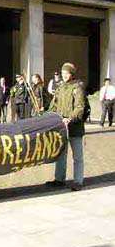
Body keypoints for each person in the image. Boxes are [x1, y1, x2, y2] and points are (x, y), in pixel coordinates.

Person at [47, 62, 86, 191]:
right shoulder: (60, 87)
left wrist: (70, 118)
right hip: (61, 127)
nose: (64, 75)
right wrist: (47, 116)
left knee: (77, 157)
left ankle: (78, 181)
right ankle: (59, 179)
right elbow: (54, 104)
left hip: (74, 127)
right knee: (61, 154)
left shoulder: (77, 87)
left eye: (66, 73)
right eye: (63, 73)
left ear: (71, 74)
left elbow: (80, 107)